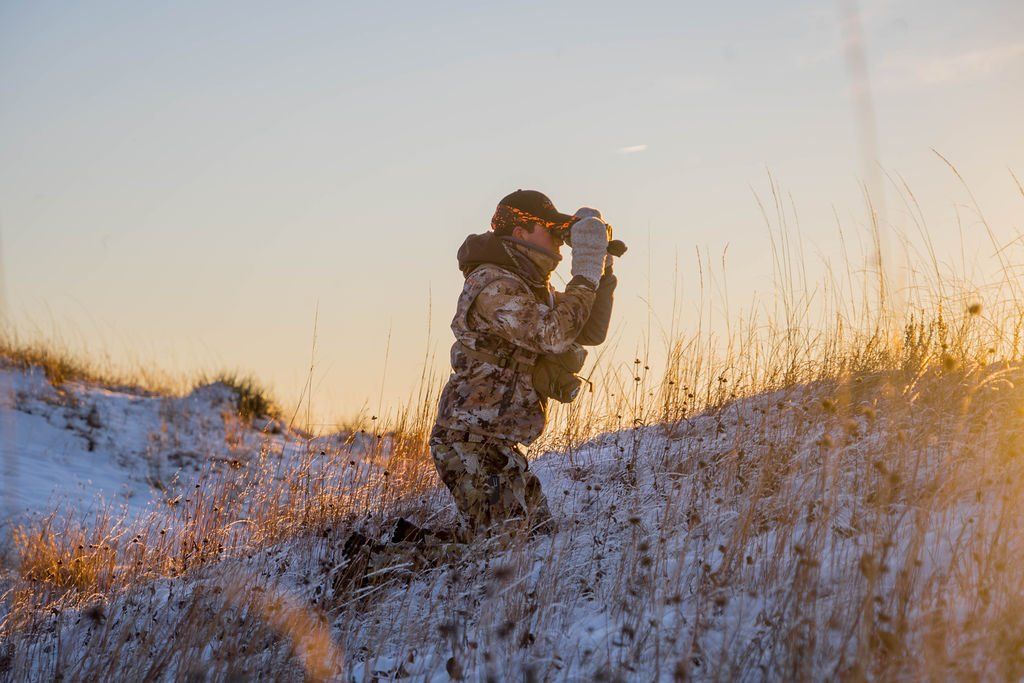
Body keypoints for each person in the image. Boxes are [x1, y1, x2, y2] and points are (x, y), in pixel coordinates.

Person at [429, 189, 618, 539]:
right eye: (552, 229)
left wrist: (601, 271)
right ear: (520, 231)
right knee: (503, 547)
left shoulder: (530, 287)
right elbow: (554, 336)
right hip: (468, 440)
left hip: (497, 443)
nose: (560, 242)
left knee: (535, 538)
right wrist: (585, 272)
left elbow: (588, 330)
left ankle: (394, 555)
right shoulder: (493, 284)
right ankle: (367, 564)